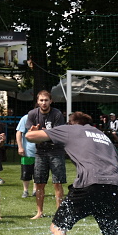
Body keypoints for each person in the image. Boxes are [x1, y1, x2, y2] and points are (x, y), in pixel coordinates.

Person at [26, 90, 66, 219]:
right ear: (37, 101)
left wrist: (42, 133)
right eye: (41, 100)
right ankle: (39, 212)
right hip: (40, 152)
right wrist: (40, 133)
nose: (44, 103)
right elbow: (30, 135)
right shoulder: (32, 114)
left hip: (56, 151)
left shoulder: (57, 114)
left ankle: (59, 214)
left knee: (57, 183)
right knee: (39, 183)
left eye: (46, 100)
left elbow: (59, 135)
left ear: (51, 101)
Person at [15, 113, 36, 198]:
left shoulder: (45, 118)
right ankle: (25, 190)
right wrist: (20, 147)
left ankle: (35, 190)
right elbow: (19, 133)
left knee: (38, 173)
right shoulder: (26, 118)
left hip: (40, 152)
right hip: (27, 151)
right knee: (26, 172)